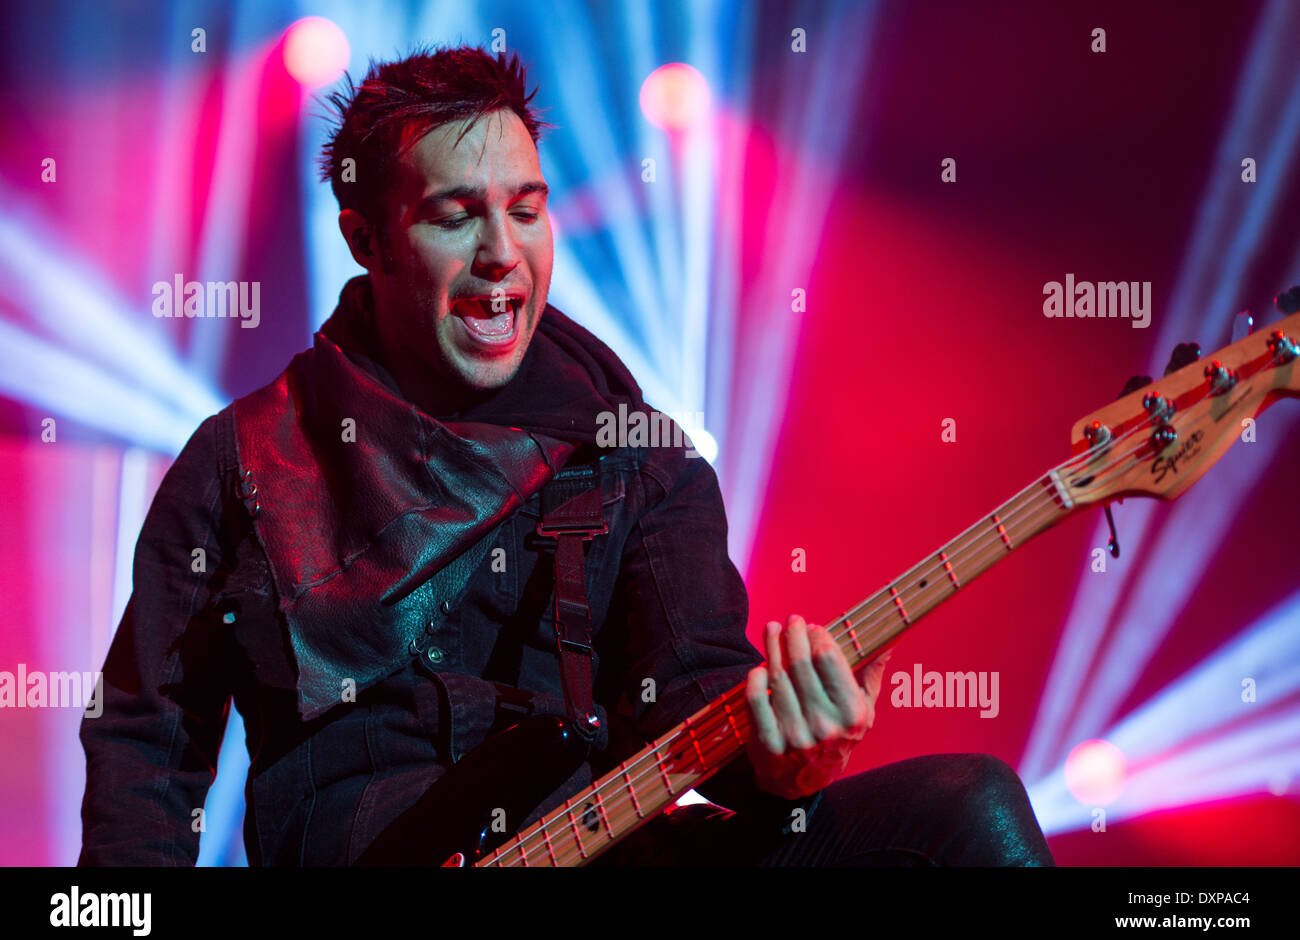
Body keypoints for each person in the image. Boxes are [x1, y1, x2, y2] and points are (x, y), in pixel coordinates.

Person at [78, 45, 1054, 867]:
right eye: (456, 214)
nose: (504, 251)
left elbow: (695, 700)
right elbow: (146, 747)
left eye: (527, 207)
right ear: (365, 237)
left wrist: (786, 755)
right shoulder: (239, 459)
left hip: (596, 845)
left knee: (966, 811)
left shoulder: (638, 458)